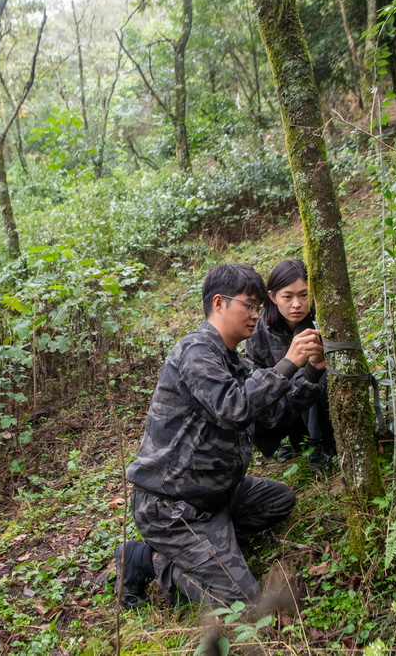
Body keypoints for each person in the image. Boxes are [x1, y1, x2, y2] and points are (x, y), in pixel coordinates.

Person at [116, 263, 326, 609]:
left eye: (259, 307)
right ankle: (150, 560)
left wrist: (312, 375)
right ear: (219, 303)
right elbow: (234, 408)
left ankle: (210, 544)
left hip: (216, 494)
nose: (256, 315)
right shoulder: (195, 352)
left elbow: (274, 416)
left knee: (279, 501)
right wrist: (287, 363)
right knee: (244, 606)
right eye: (249, 305)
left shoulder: (233, 361)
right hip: (172, 504)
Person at [246, 259, 336, 466]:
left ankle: (321, 442)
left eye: (304, 295)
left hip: (318, 407)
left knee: (316, 376)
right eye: (288, 296)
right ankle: (282, 444)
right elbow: (257, 376)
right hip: (283, 409)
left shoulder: (322, 322)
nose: (297, 304)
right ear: (273, 297)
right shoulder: (258, 331)